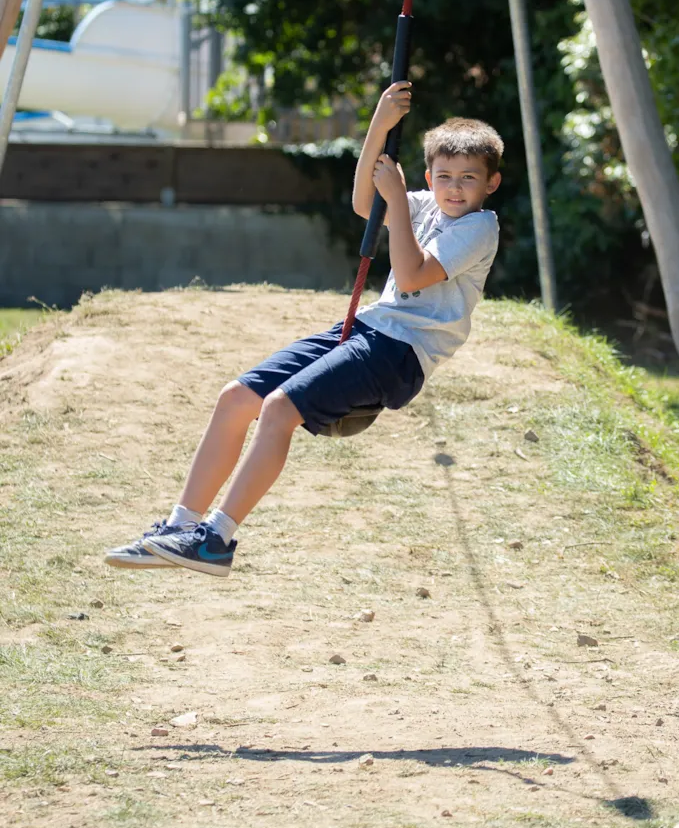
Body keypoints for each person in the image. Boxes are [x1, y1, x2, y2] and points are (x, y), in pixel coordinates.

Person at [105, 81, 502, 578]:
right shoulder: (425, 205)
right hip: (364, 329)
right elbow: (365, 204)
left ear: (491, 183)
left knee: (278, 409)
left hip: (401, 352)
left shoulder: (479, 227)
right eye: (444, 176)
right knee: (236, 398)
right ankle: (180, 526)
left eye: (468, 177)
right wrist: (380, 125)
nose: (455, 187)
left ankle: (216, 539)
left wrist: (398, 201)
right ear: (429, 175)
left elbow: (412, 274)